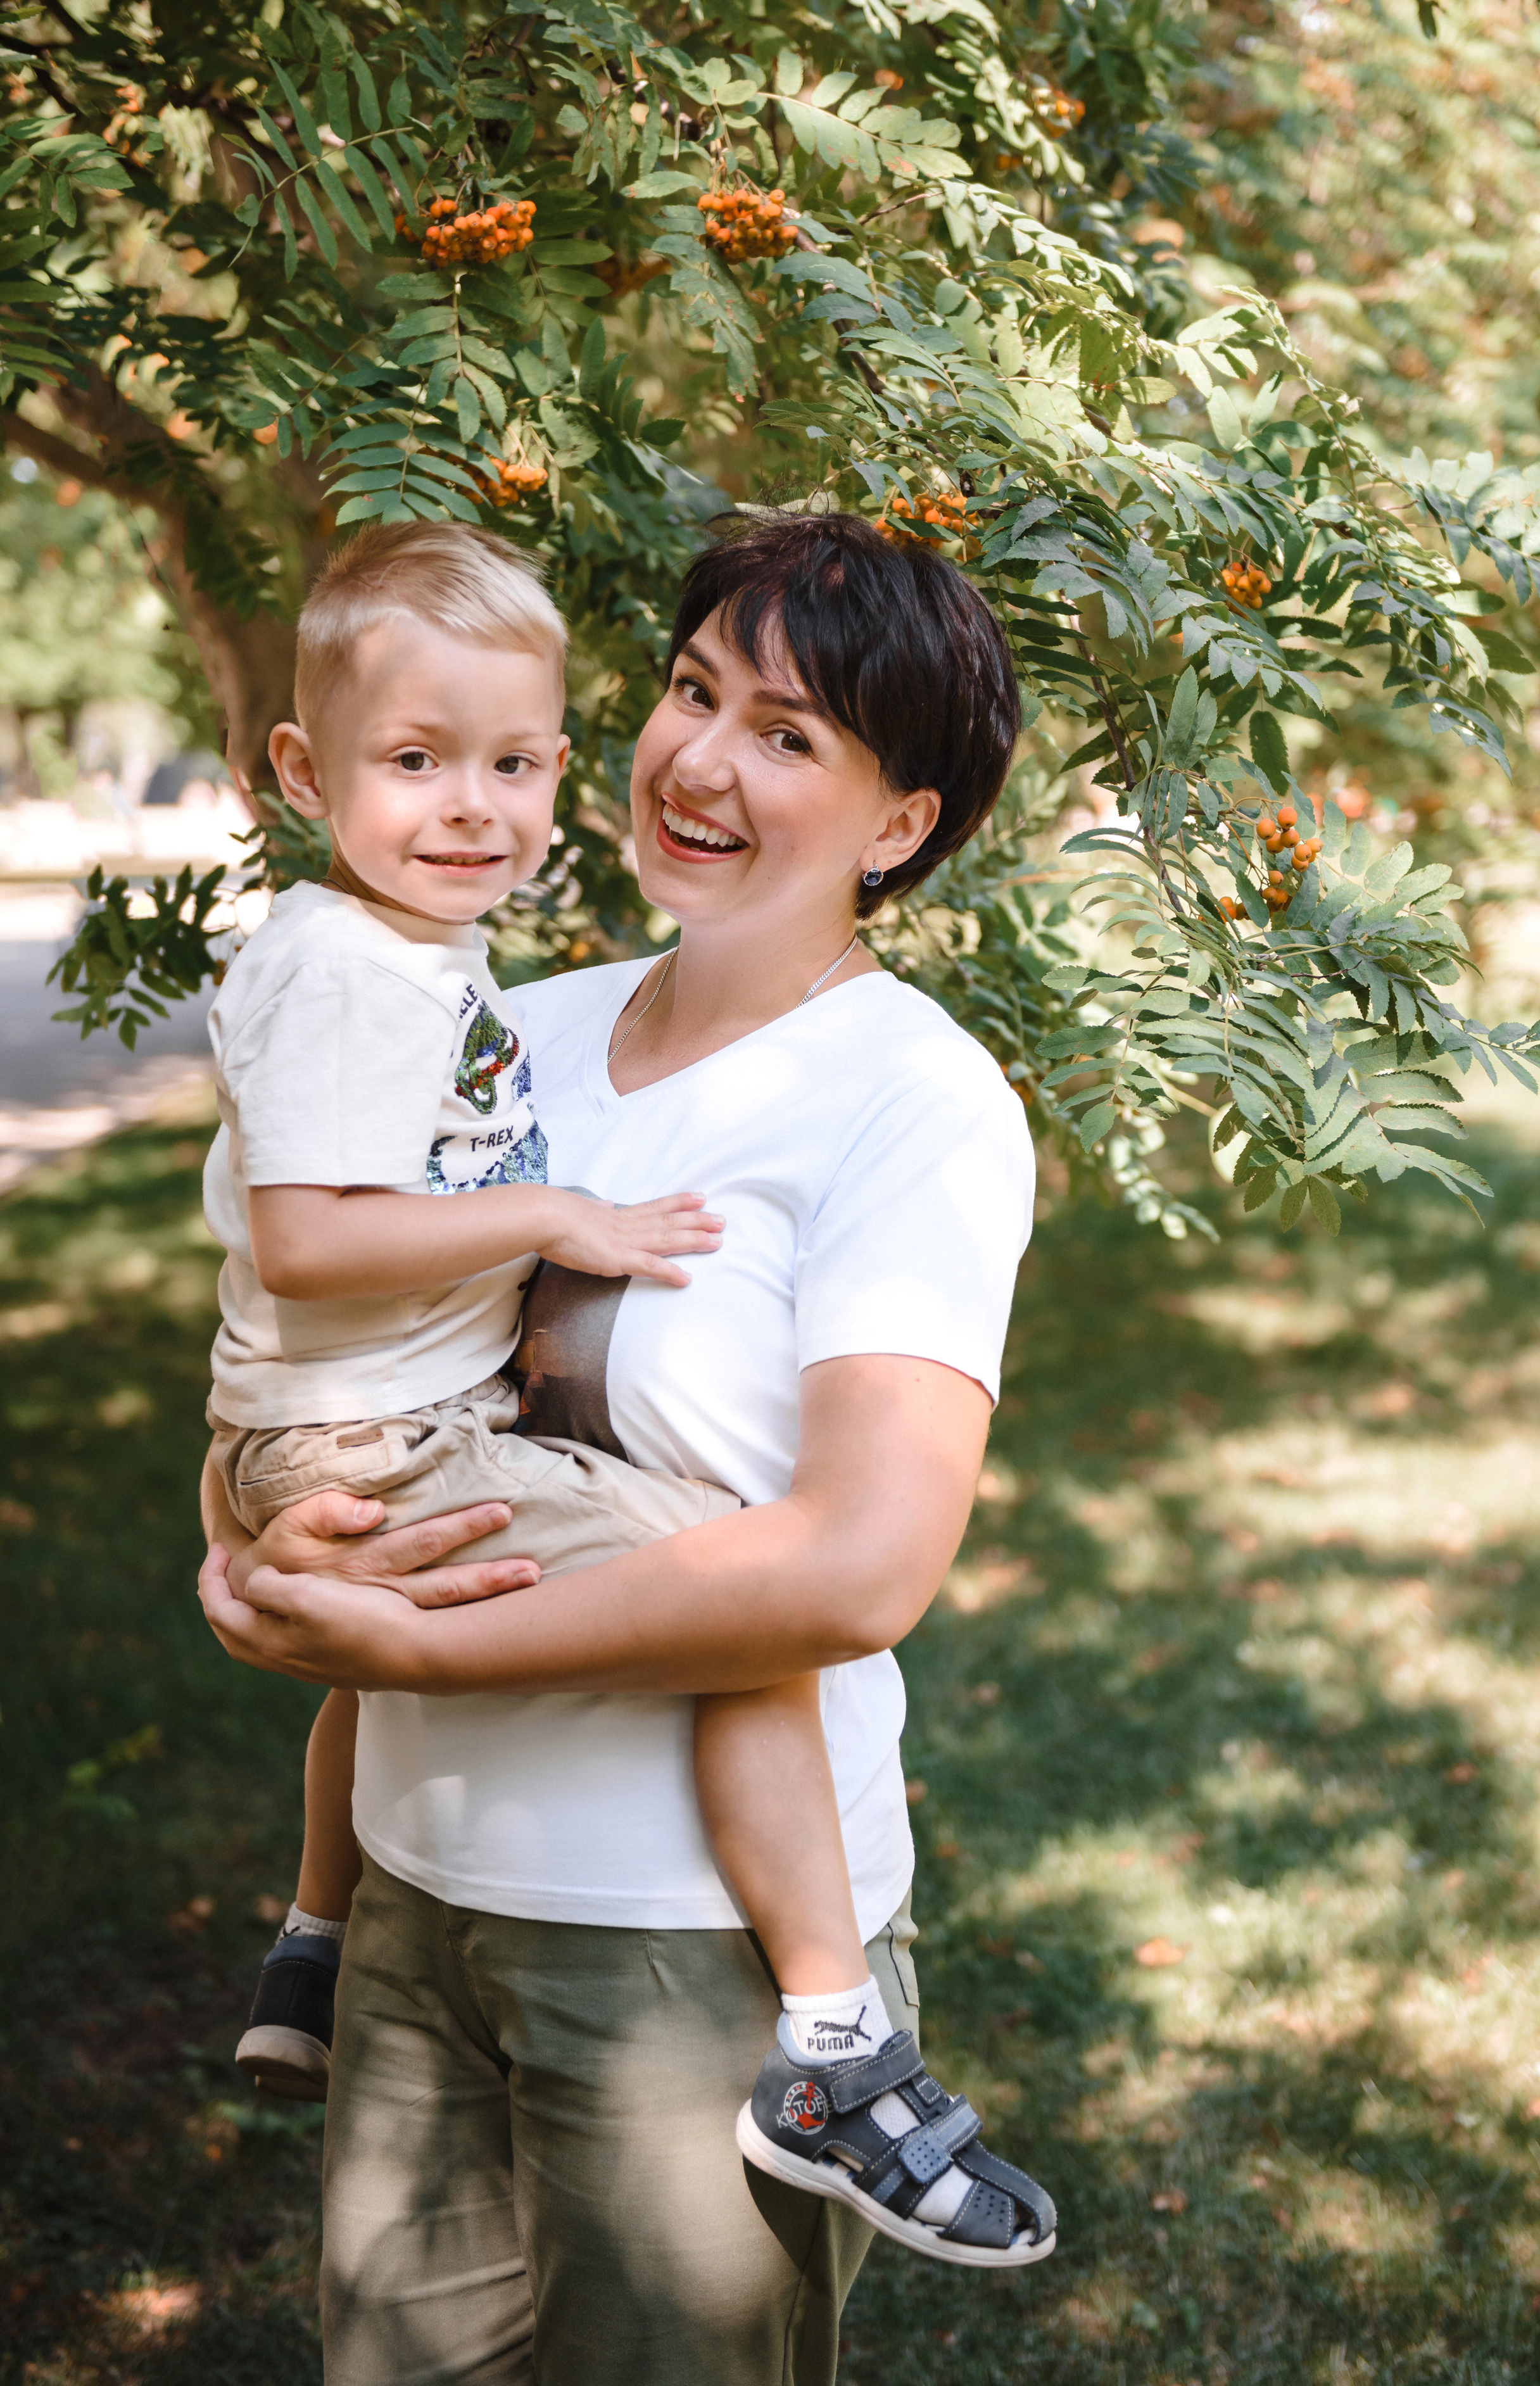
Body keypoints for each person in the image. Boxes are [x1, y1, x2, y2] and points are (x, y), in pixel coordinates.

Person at [200, 508, 1051, 2385]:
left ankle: (847, 2075)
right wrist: (253, 1553)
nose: (704, 760)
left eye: (791, 735)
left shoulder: (913, 1101)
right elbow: (352, 1327)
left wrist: (409, 1642)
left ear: (897, 824)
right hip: (422, 1904)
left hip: (678, 1953)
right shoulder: (517, 1025)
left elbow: (858, 1566)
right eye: (691, 692)